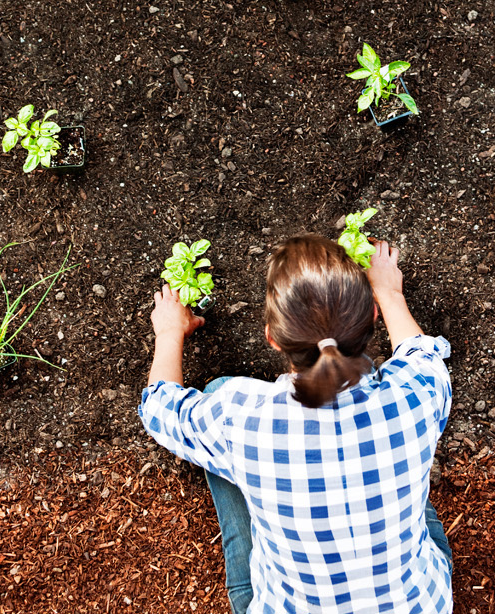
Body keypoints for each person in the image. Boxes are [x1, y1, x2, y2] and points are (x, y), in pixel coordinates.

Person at [139, 233, 454, 614]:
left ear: (273, 339)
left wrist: (169, 331)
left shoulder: (241, 418)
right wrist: (390, 293)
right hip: (420, 602)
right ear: (372, 317)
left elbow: (159, 407)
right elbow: (422, 352)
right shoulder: (414, 395)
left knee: (218, 397)